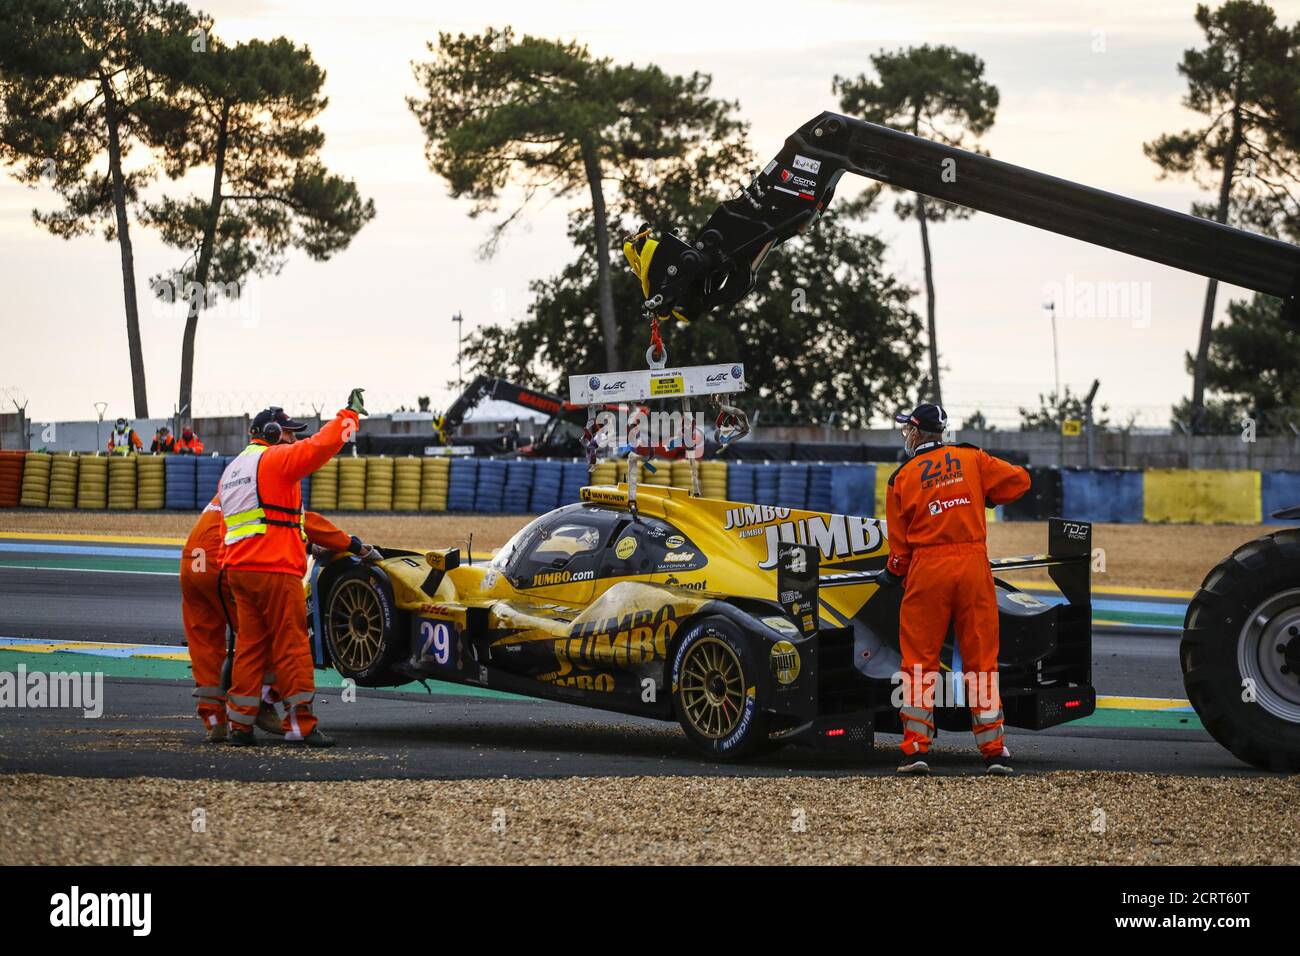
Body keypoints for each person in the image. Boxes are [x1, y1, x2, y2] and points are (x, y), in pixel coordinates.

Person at [880, 402, 1031, 777]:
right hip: (973, 568)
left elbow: (899, 551)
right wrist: (984, 493)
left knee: (918, 664)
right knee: (981, 661)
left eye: (907, 430)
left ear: (916, 432)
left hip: (927, 571)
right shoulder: (971, 457)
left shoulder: (900, 478)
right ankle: (994, 752)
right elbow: (1021, 481)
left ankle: (915, 749)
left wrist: (892, 573)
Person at [218, 392, 366, 747]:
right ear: (271, 433)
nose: (294, 438)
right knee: (293, 645)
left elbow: (257, 521)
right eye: (288, 432)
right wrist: (350, 417)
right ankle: (300, 726)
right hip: (275, 570)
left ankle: (239, 726)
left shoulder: (233, 471)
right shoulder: (276, 460)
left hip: (238, 570)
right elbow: (319, 446)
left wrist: (307, 542)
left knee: (251, 647)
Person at [180, 494, 382, 743]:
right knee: (261, 637)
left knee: (204, 643)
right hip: (223, 558)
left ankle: (214, 720)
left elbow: (266, 525)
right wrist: (355, 546)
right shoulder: (269, 476)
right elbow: (306, 522)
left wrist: (307, 545)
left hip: (192, 560)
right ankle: (265, 702)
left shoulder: (232, 481)